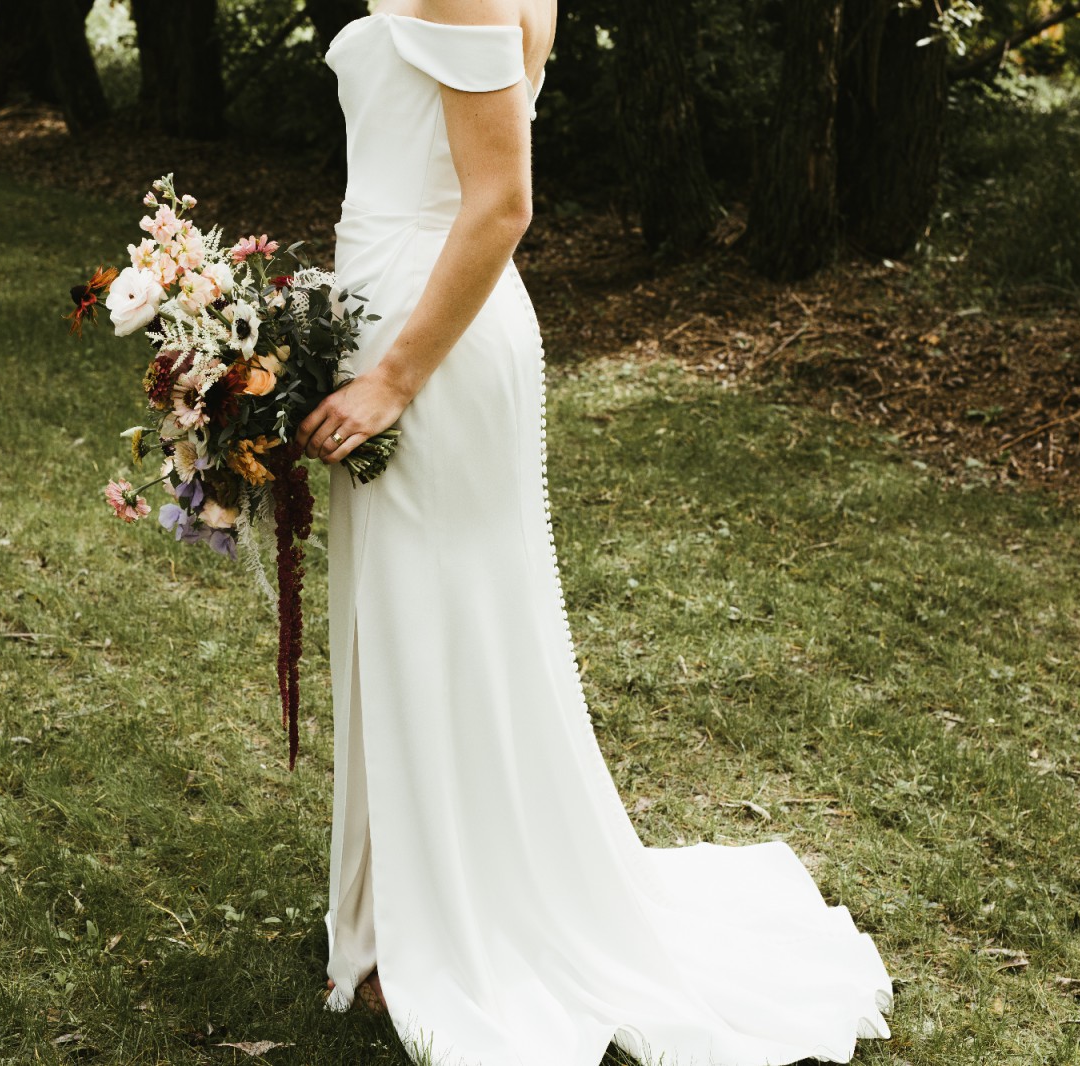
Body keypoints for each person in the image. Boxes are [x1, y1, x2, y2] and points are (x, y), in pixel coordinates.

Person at [292, 2, 895, 1063]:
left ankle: (457, 924)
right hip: (401, 311)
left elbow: (500, 203)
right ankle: (411, 903)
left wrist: (392, 377)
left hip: (427, 340)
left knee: (441, 627)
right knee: (416, 621)